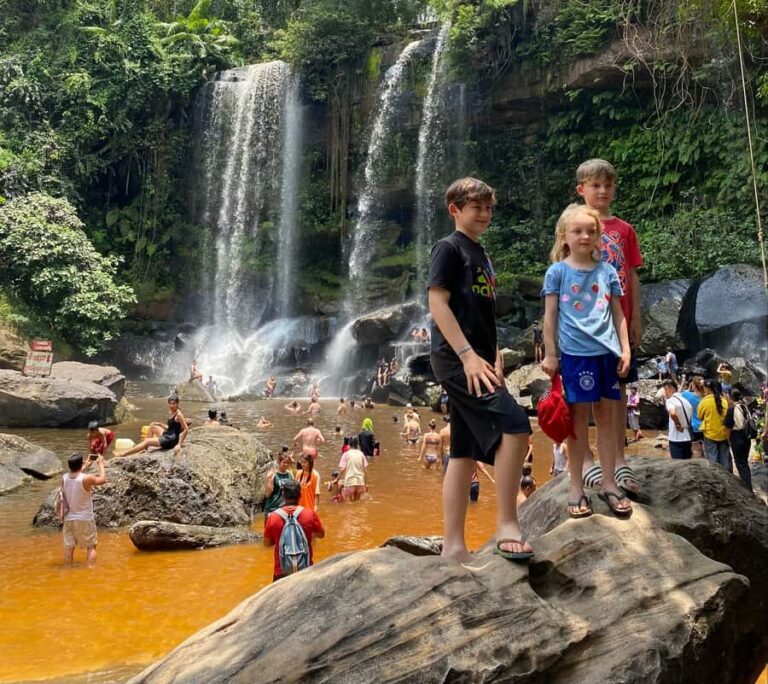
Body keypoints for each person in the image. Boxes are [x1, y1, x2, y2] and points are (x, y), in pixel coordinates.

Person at [428, 177, 533, 562]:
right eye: (477, 208)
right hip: (458, 360)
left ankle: (453, 546)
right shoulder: (449, 248)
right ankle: (507, 523)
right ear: (455, 209)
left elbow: (481, 311)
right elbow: (438, 303)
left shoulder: (480, 253)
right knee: (517, 424)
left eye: (489, 208)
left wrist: (494, 355)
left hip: (479, 358)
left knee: (463, 452)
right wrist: (468, 356)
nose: (486, 214)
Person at [542, 203, 631, 519]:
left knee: (606, 417)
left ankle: (609, 482)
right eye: (577, 231)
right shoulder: (558, 272)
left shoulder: (607, 271)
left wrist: (626, 349)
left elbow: (618, 313)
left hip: (606, 351)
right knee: (577, 421)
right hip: (575, 354)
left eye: (591, 231)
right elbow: (550, 316)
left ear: (598, 237)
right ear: (564, 236)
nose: (584, 236)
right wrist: (550, 353)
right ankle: (576, 487)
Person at [575, 159, 645, 500]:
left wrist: (636, 318)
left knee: (616, 391)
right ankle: (587, 460)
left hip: (618, 323)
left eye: (607, 185)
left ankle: (618, 460)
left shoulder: (625, 230)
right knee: (584, 392)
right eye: (595, 185)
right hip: (586, 324)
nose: (602, 191)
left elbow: (631, 274)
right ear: (581, 190)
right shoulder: (576, 225)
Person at [263, 480, 324, 582]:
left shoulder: (273, 517)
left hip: (281, 571)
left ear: (283, 495)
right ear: (300, 495)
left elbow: (267, 543)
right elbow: (321, 534)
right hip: (305, 569)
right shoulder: (310, 514)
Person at [61, 452, 107, 564]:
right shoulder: (87, 479)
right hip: (84, 518)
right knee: (91, 546)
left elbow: (74, 476)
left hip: (68, 519)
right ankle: (90, 572)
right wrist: (101, 464)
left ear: (69, 466)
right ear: (80, 464)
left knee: (69, 548)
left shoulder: (64, 478)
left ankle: (68, 571)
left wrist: (84, 466)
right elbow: (102, 480)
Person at [120, 396, 189, 456]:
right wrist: (159, 424)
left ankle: (124, 454)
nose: (172, 405)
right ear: (168, 404)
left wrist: (179, 444)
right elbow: (170, 427)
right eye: (170, 403)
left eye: (174, 403)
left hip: (170, 440)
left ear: (177, 404)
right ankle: (144, 448)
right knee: (152, 426)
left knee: (147, 441)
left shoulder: (179, 415)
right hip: (168, 434)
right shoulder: (172, 412)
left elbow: (186, 429)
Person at [697, 380, 731, 470]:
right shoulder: (724, 401)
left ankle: (716, 478)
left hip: (710, 434)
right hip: (723, 434)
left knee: (712, 460)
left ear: (708, 389)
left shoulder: (704, 402)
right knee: (725, 460)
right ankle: (727, 479)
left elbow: (700, 417)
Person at [724, 389, 753, 490]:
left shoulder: (732, 408)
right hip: (746, 438)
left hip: (737, 438)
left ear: (731, 397)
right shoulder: (744, 406)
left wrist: (727, 440)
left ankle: (747, 489)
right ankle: (748, 485)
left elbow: (728, 427)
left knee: (740, 464)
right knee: (744, 463)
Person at [662, 379, 693, 459]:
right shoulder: (686, 401)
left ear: (672, 388)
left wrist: (677, 424)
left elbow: (672, 413)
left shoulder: (671, 400)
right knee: (687, 464)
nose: (665, 392)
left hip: (676, 439)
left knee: (678, 465)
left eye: (666, 389)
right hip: (687, 437)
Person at [263, 452, 295, 519]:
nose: (286, 464)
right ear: (279, 462)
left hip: (284, 510)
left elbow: (293, 492)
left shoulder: (290, 474)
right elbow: (267, 494)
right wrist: (268, 480)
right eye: (284, 462)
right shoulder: (273, 474)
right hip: (272, 509)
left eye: (288, 463)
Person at [338, 436, 368, 502]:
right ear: (357, 444)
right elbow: (365, 470)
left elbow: (342, 469)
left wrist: (336, 479)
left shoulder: (346, 454)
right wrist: (366, 483)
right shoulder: (361, 454)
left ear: (349, 444)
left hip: (350, 482)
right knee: (356, 503)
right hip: (360, 482)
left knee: (349, 504)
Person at [682, 376, 705, 458]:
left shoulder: (686, 395)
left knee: (695, 449)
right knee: (705, 448)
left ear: (693, 385)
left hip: (694, 426)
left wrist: (684, 386)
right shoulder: (705, 396)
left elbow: (677, 395)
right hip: (705, 426)